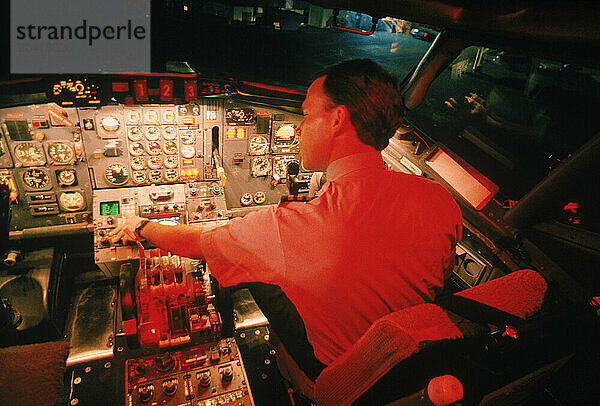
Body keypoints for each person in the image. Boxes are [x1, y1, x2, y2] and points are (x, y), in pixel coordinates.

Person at [110, 59, 462, 381]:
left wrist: (140, 226)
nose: (298, 129)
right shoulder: (439, 199)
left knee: (246, 276)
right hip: (411, 362)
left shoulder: (288, 227)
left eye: (306, 115)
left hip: (339, 374)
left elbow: (195, 244)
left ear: (338, 119)